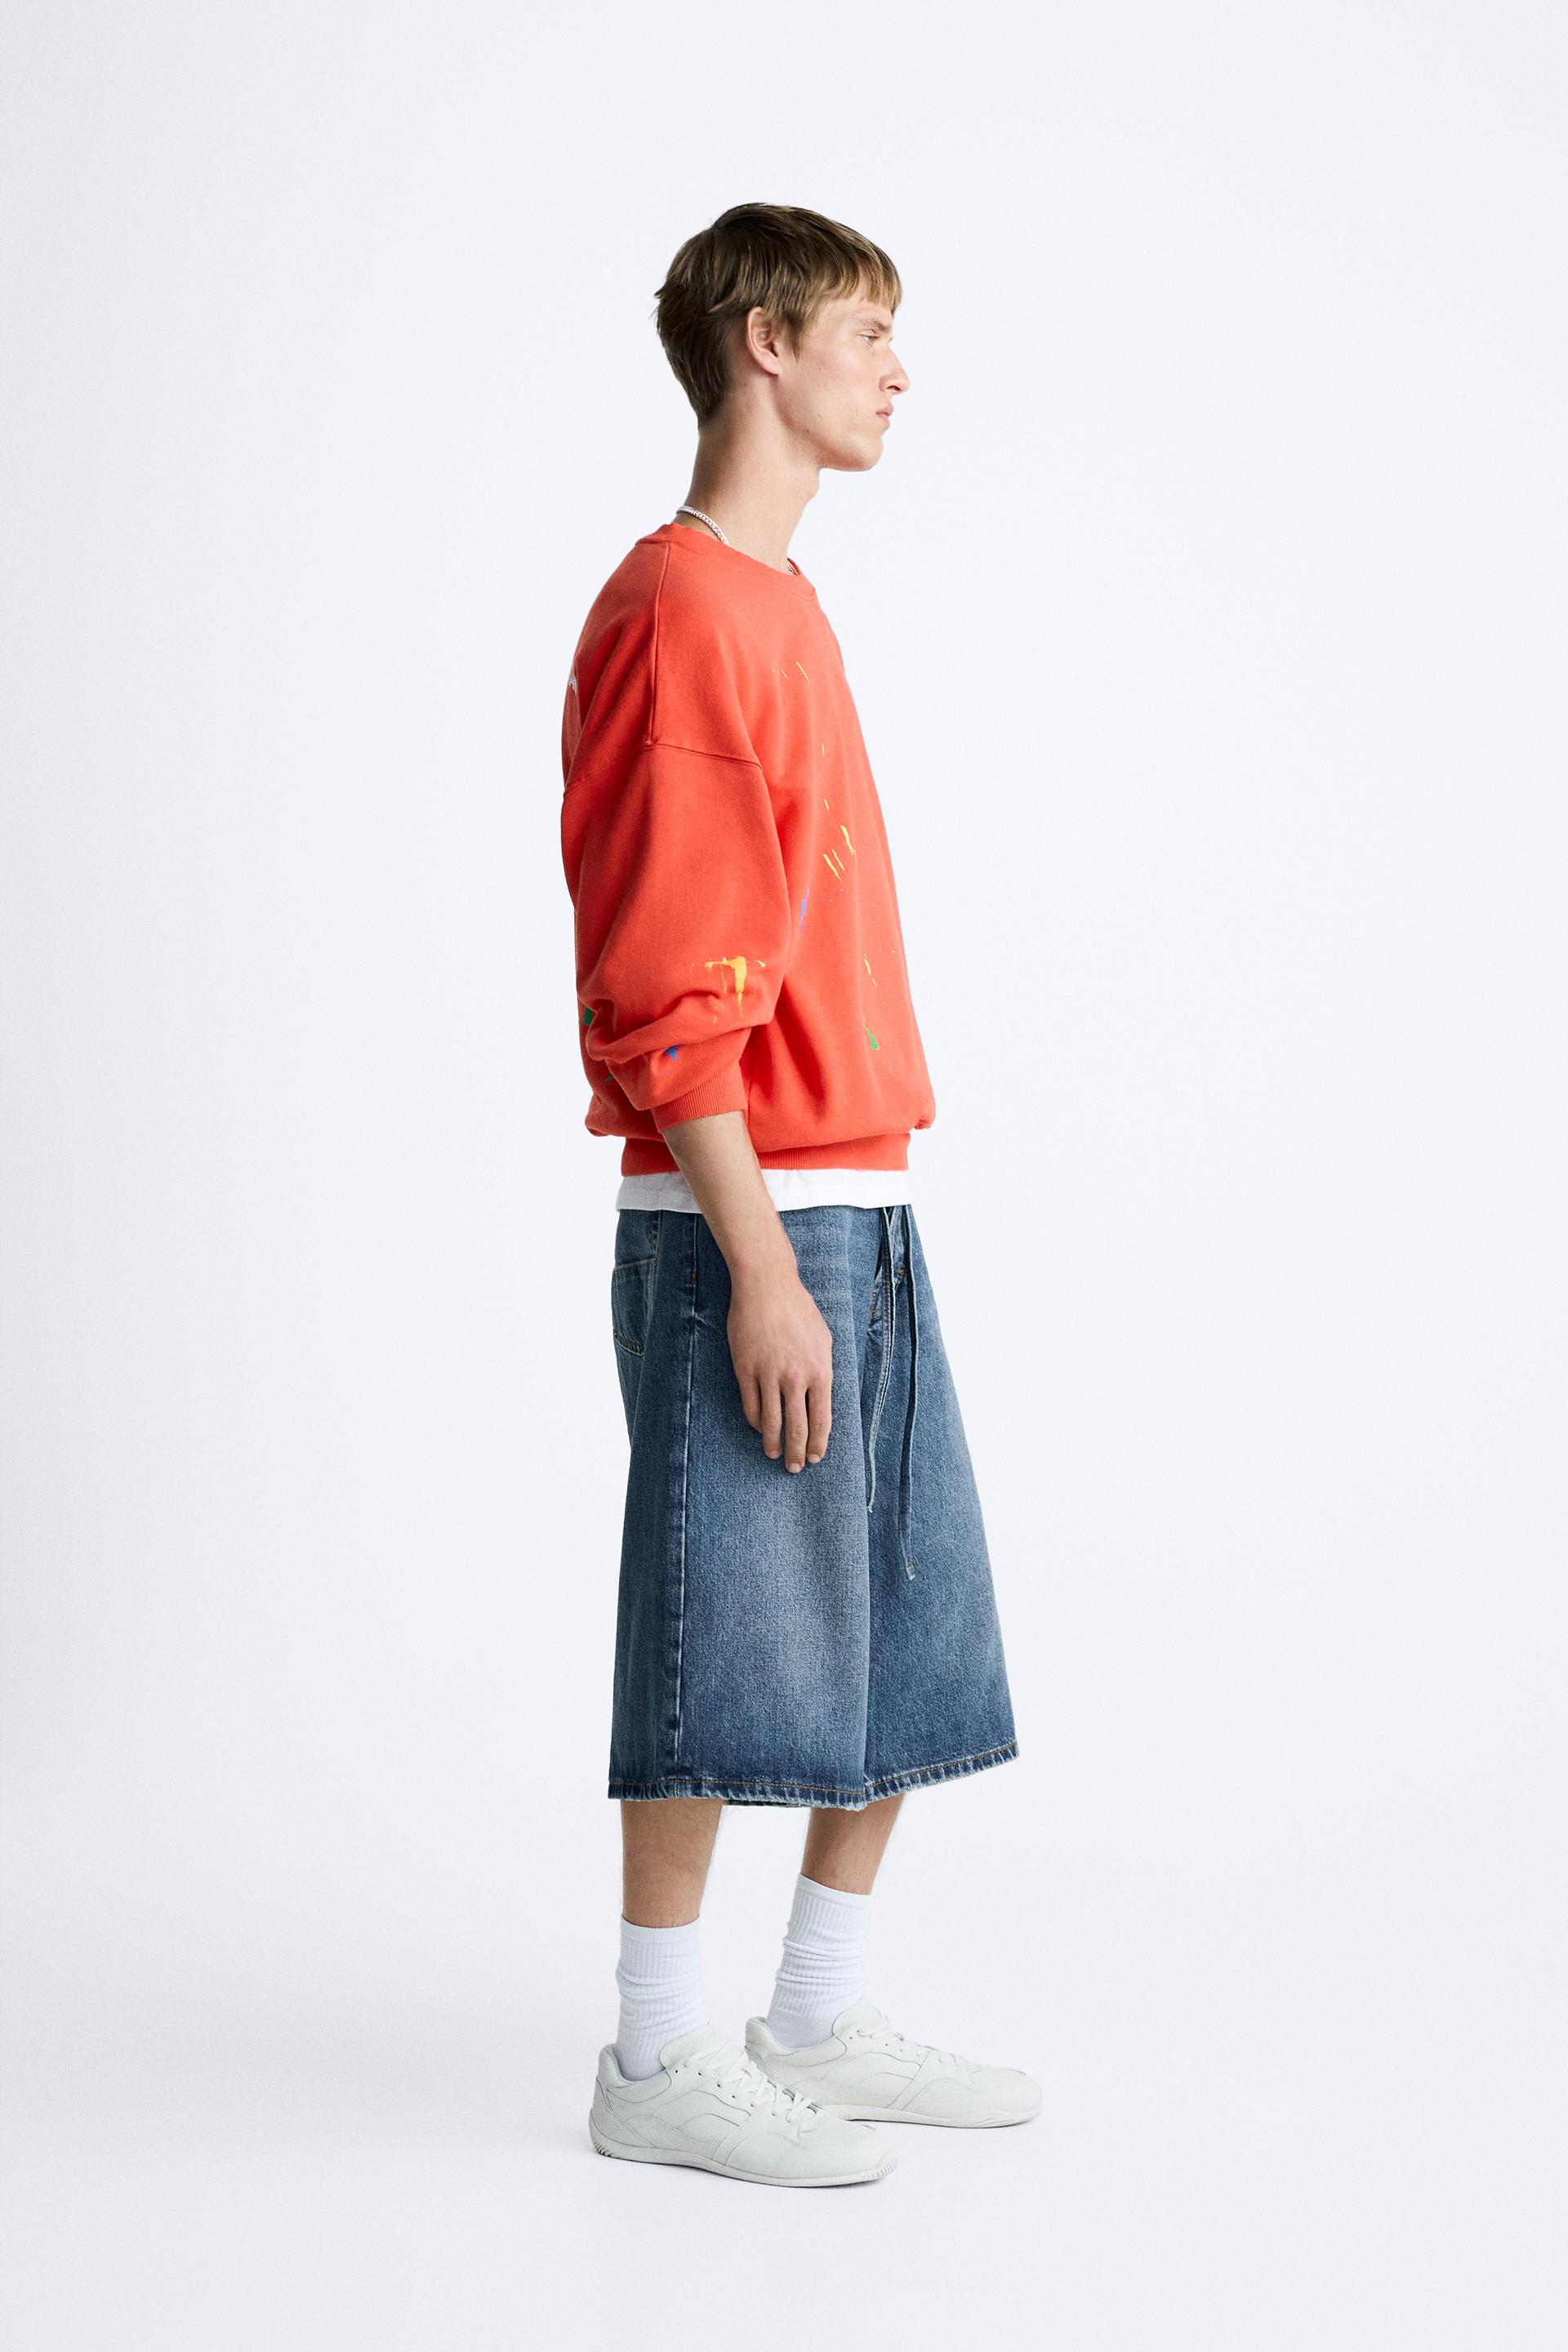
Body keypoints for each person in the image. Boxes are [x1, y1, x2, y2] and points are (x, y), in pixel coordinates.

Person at [559, 203, 1036, 2187]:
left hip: (862, 1196)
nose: (899, 371)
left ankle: (816, 2018)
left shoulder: (785, 607)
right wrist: (761, 1269)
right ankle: (656, 2059)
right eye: (865, 331)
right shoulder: (679, 610)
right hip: (746, 1217)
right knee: (720, 1638)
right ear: (764, 342)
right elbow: (660, 985)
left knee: (907, 1631)